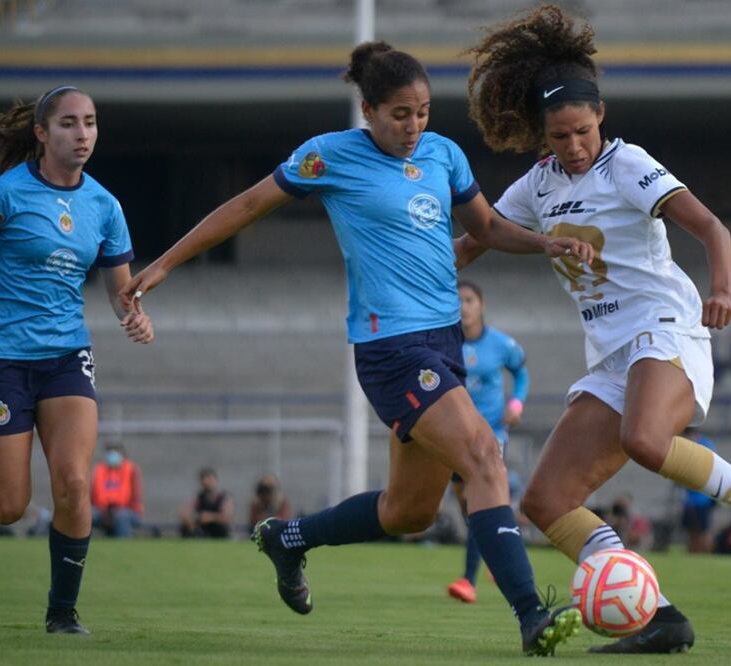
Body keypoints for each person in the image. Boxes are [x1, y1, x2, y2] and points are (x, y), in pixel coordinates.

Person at [123, 41, 593, 655]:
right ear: (367, 109)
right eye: (400, 113)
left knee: (408, 512)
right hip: (390, 347)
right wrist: (163, 265)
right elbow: (246, 206)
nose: (414, 125)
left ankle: (289, 539)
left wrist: (545, 243)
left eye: (423, 111)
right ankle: (532, 615)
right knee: (483, 455)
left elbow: (485, 228)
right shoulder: (328, 157)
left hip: (443, 341)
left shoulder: (442, 155)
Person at [457, 4, 731, 654]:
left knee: (645, 438)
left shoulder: (627, 164)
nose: (574, 146)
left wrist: (721, 290)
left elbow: (711, 228)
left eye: (582, 130)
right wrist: (425, 264)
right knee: (546, 502)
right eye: (559, 136)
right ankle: (660, 616)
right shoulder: (540, 185)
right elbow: (482, 237)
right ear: (542, 135)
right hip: (610, 355)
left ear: (600, 115)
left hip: (667, 329)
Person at [0, 86, 153, 635]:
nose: (83, 134)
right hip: (0, 358)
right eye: (69, 124)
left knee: (73, 484)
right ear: (43, 134)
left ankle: (62, 613)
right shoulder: (3, 194)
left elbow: (121, 291)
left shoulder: (105, 205)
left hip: (66, 357)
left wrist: (134, 315)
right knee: (6, 507)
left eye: (90, 122)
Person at [446, 280, 529, 604]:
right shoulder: (444, 342)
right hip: (452, 435)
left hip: (491, 435)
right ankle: (499, 550)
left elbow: (521, 373)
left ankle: (468, 581)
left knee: (479, 501)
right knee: (470, 509)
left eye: (469, 300)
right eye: (458, 300)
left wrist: (516, 404)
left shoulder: (500, 344)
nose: (463, 306)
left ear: (480, 305)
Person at [91, 442, 144, 538]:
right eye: (110, 452)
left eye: (116, 452)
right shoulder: (99, 470)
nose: (113, 455)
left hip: (127, 511)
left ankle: (123, 546)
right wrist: (105, 511)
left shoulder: (131, 470)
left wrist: (116, 510)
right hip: (102, 511)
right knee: (87, 516)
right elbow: (93, 496)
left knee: (122, 517)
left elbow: (135, 498)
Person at [679, 428, 717, 553]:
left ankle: (708, 553)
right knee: (691, 531)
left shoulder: (705, 445)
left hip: (703, 499)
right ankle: (693, 555)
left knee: (704, 531)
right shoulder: (684, 445)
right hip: (689, 499)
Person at [178, 468, 234, 538]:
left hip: (218, 530)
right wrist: (192, 524)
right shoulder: (198, 497)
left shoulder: (225, 498)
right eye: (204, 480)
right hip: (202, 529)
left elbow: (227, 518)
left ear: (215, 480)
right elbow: (184, 512)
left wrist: (210, 517)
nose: (207, 483)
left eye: (210, 479)